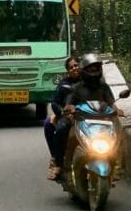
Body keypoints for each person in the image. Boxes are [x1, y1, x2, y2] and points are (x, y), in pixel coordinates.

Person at [52, 52, 123, 180]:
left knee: (118, 131)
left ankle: (116, 163)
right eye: (90, 68)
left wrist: (117, 110)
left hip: (101, 120)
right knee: (62, 128)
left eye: (95, 67)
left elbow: (111, 102)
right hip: (81, 119)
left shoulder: (103, 86)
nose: (93, 70)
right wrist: (70, 108)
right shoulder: (76, 87)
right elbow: (69, 102)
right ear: (84, 70)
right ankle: (60, 163)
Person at [45, 56, 79, 180]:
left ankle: (116, 164)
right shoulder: (64, 84)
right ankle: (57, 160)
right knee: (54, 127)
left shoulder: (89, 81)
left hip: (88, 115)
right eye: (71, 67)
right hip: (69, 116)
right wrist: (62, 112)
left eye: (76, 65)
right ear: (68, 71)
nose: (75, 68)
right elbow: (55, 103)